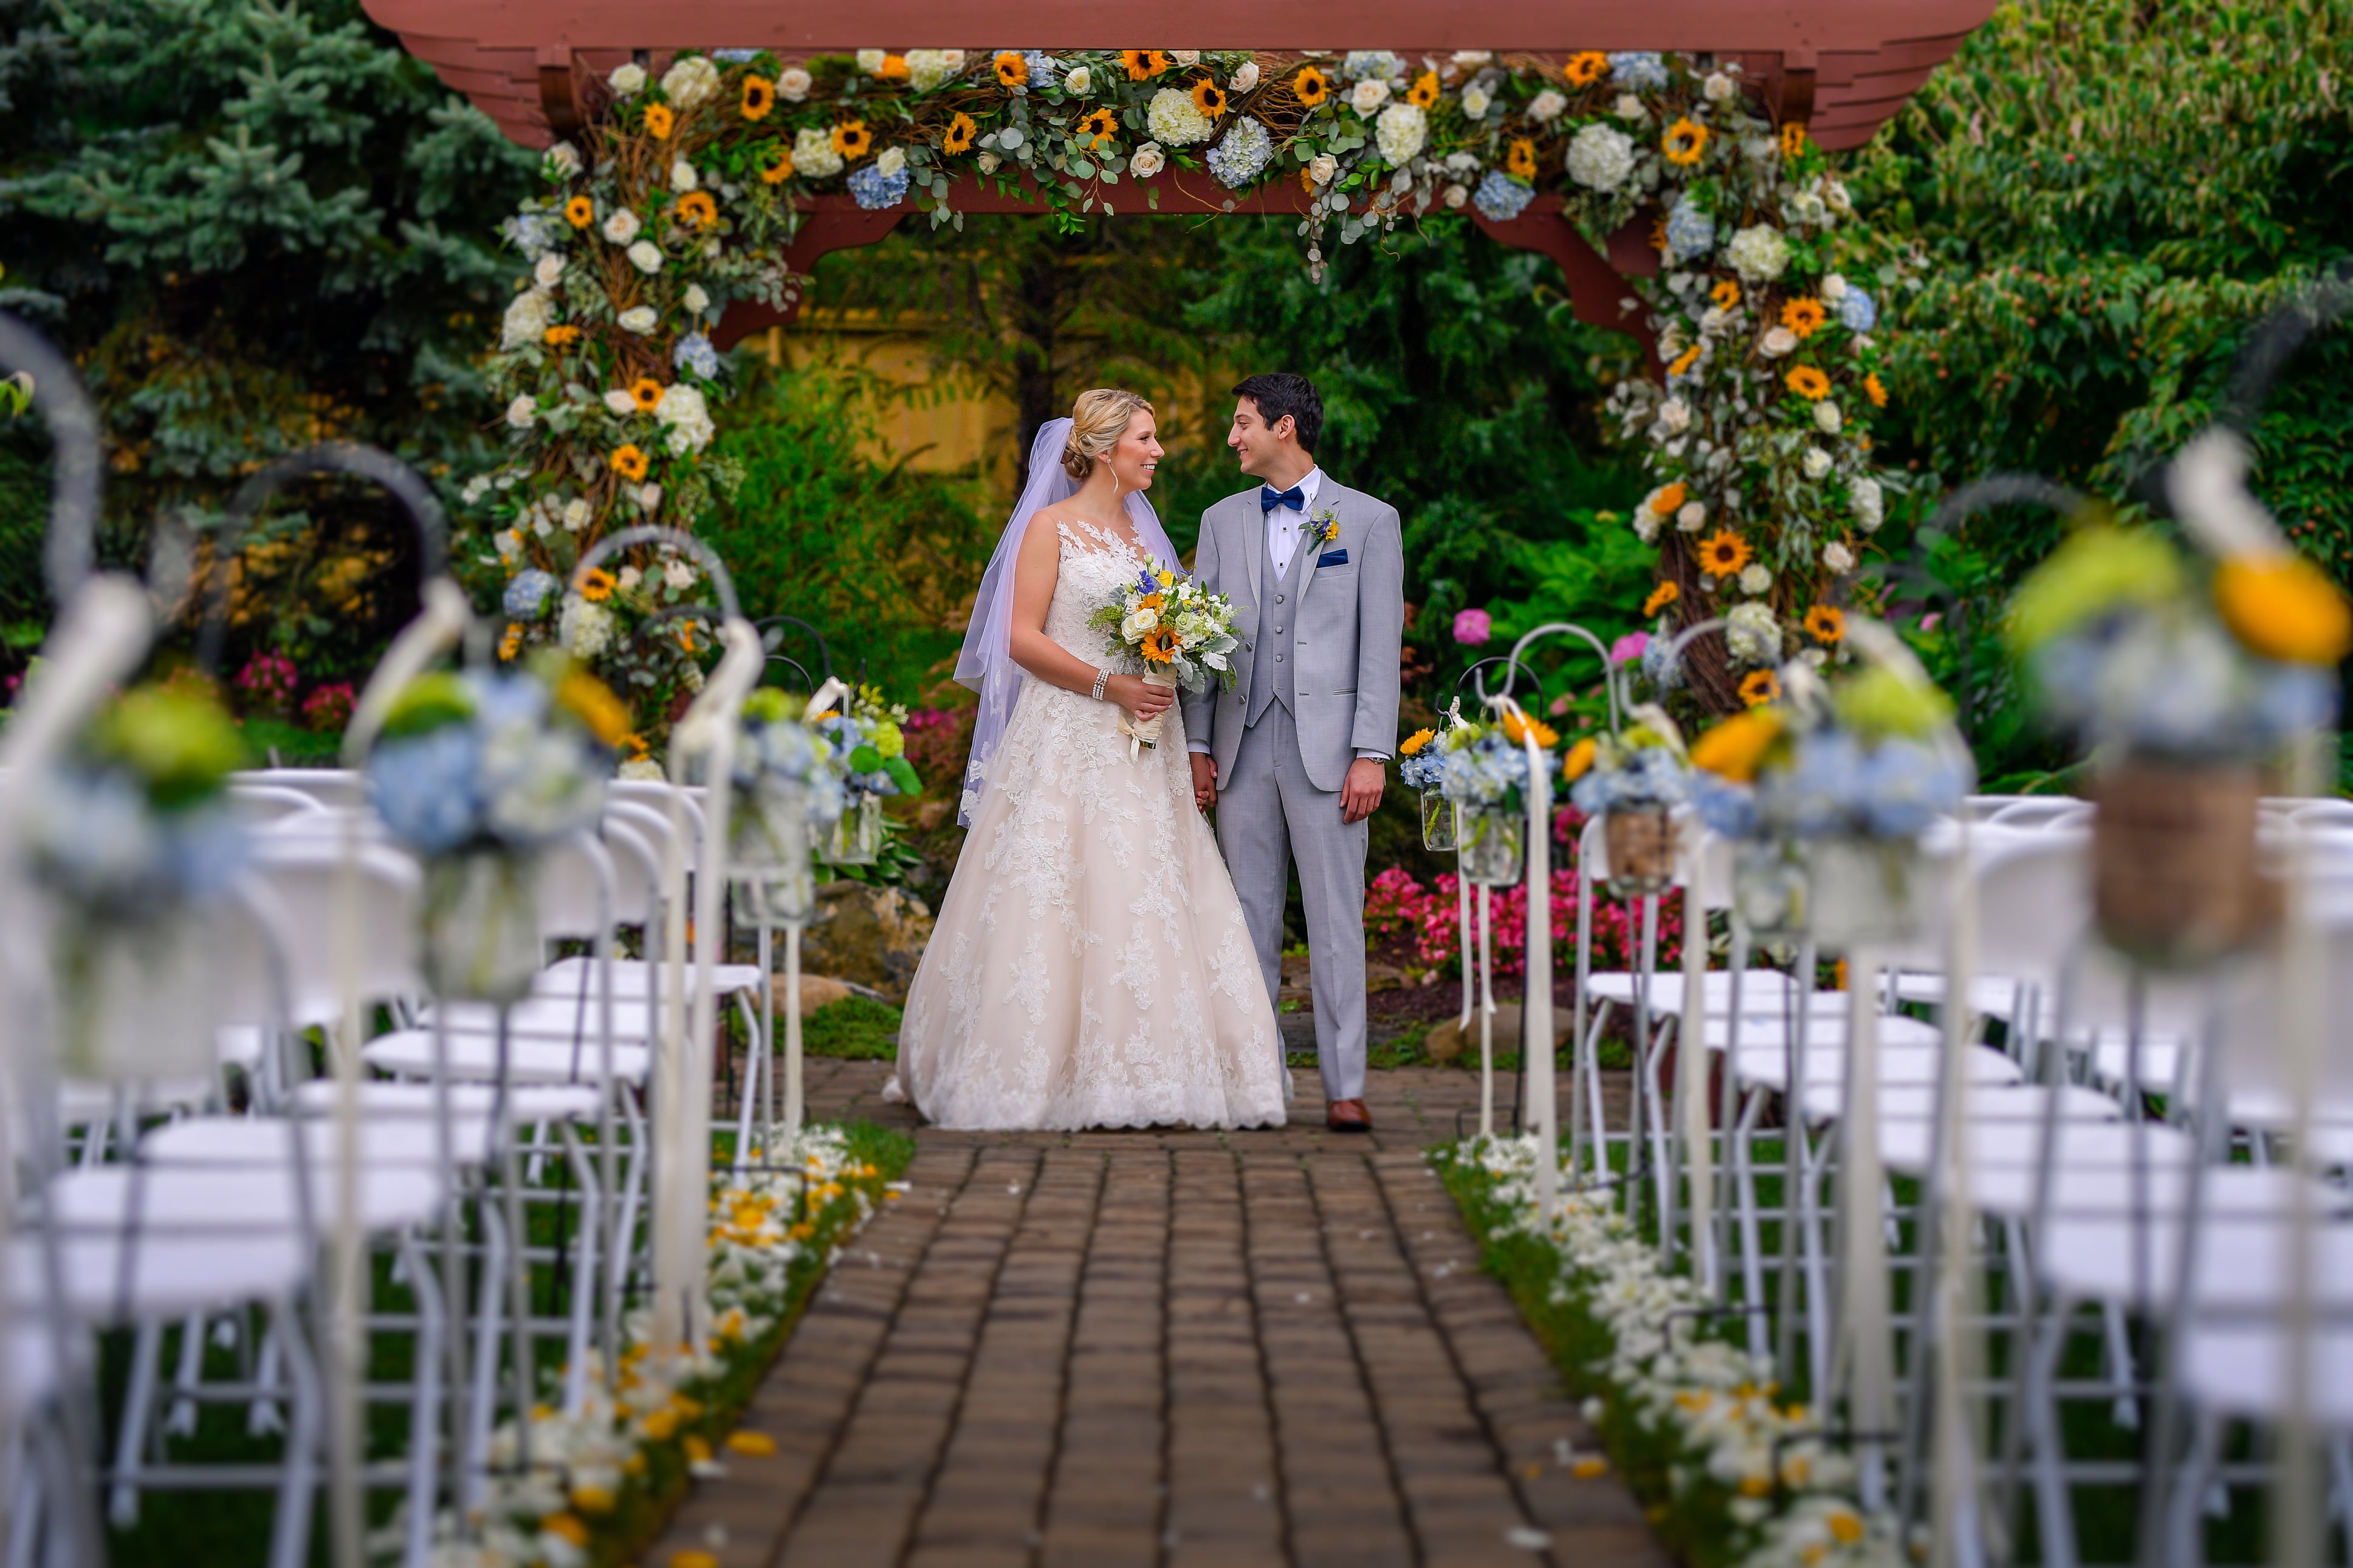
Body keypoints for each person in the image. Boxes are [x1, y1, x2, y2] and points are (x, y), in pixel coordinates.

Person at [888, 389, 1287, 1131]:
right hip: (1070, 732)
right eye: (1146, 438)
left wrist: (1168, 665)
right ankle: (1032, 1067)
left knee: (1148, 889)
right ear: (1106, 450)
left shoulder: (1144, 539)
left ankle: (1157, 1070)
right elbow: (1021, 639)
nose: (1158, 451)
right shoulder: (1051, 528)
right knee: (1053, 891)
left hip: (1143, 744)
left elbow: (1159, 638)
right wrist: (1111, 686)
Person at [1181, 374, 1404, 1132]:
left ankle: (1344, 1086)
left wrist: (1371, 751)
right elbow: (1198, 639)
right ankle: (1258, 1080)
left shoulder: (1369, 522)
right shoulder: (1220, 520)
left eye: (1242, 423)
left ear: (1284, 427)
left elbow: (1380, 647)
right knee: (1245, 918)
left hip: (1332, 754)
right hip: (1244, 747)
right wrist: (1197, 743)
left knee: (1337, 922)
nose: (1232, 436)